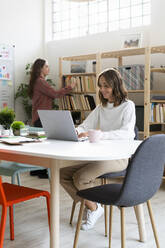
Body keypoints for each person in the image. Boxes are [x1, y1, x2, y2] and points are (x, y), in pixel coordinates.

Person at [60, 68, 136, 231]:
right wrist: (76, 131)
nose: (102, 90)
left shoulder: (128, 106)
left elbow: (127, 133)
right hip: (101, 155)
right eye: (100, 86)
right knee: (62, 174)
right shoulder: (102, 107)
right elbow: (85, 125)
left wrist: (101, 135)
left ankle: (93, 209)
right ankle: (93, 207)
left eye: (106, 86)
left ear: (116, 85)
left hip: (118, 158)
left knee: (80, 177)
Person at [28, 58, 76, 177]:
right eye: (47, 66)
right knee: (44, 145)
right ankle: (42, 172)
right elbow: (54, 94)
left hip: (39, 116)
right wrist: (69, 87)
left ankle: (36, 170)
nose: (49, 68)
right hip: (42, 117)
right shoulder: (40, 81)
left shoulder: (38, 81)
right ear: (41, 68)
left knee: (40, 145)